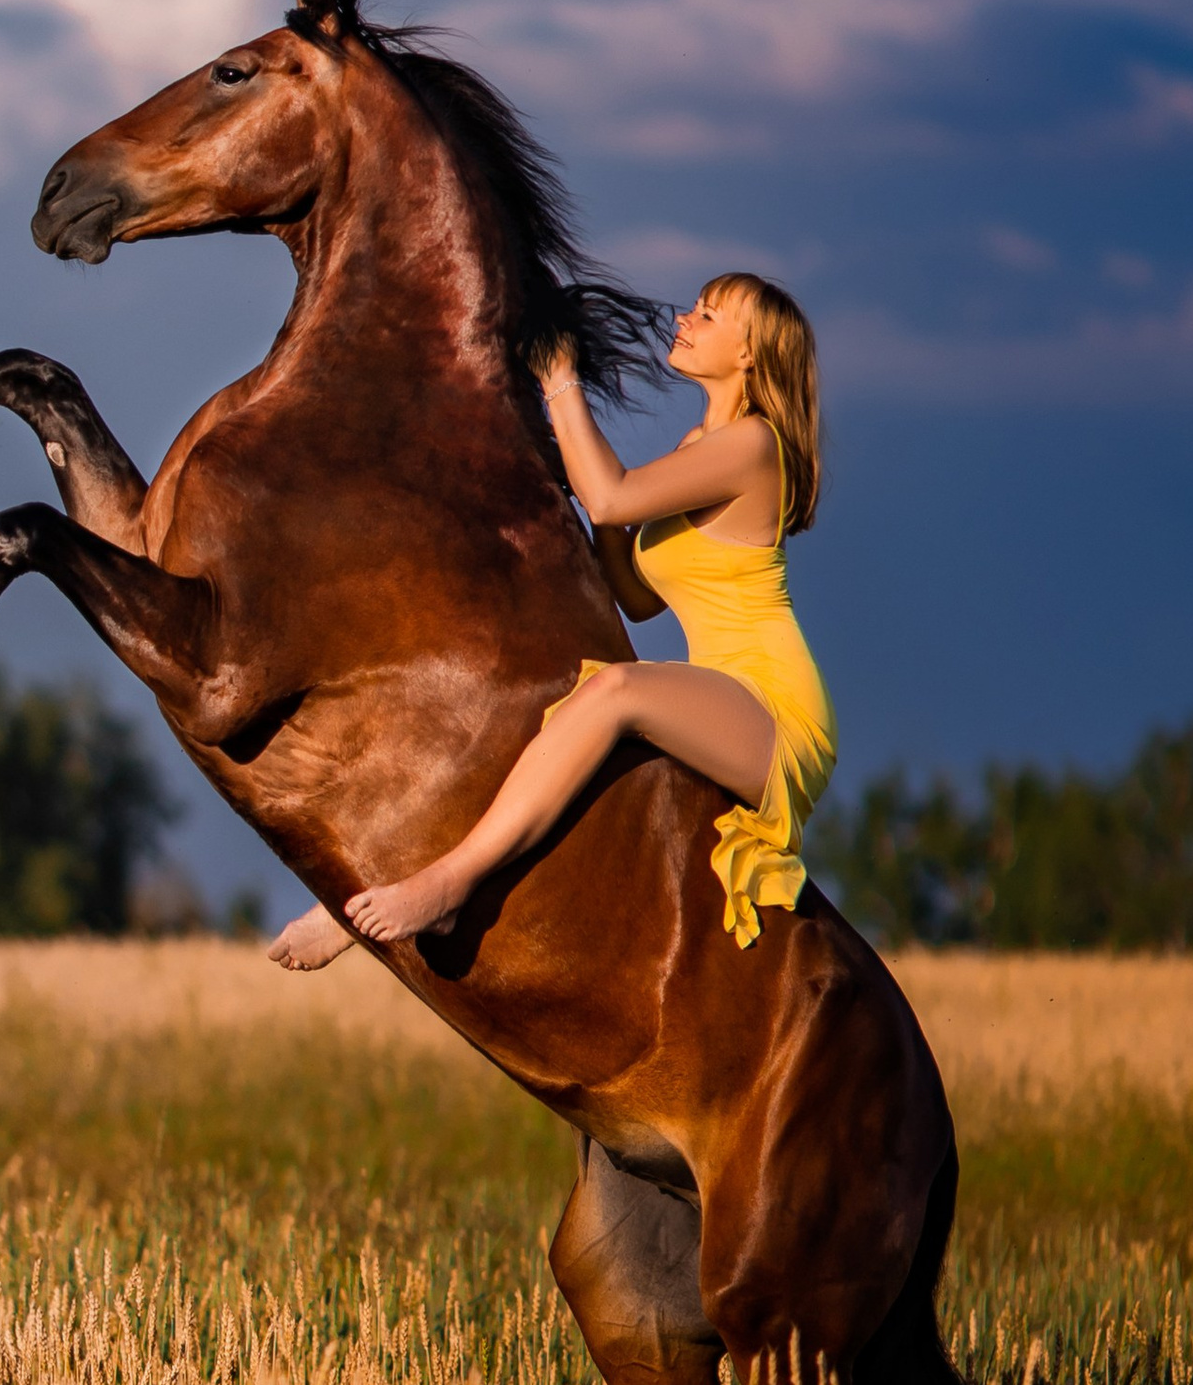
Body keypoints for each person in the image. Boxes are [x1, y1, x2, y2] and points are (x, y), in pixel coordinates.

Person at [268, 273, 834, 970]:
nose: (685, 318)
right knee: (549, 714)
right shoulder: (698, 444)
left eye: (710, 315)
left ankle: (450, 883)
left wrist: (560, 377)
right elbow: (636, 593)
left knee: (617, 690)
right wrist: (580, 483)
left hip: (773, 706)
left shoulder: (754, 445)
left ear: (751, 354)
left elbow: (612, 497)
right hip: (719, 691)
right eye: (695, 306)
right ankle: (377, 887)